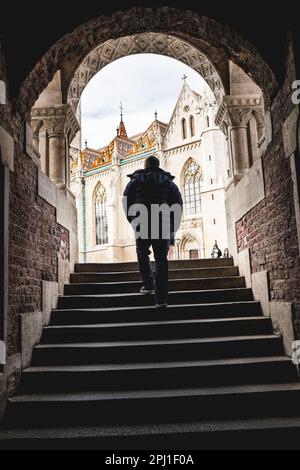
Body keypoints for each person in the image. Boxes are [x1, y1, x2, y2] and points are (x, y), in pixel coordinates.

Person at [122, 155, 183, 309]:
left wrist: (133, 220)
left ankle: (149, 285)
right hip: (162, 221)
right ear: (158, 165)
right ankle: (161, 299)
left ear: (145, 166)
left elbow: (126, 201)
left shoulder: (135, 181)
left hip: (141, 220)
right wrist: (172, 226)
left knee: (142, 254)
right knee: (162, 259)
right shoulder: (168, 182)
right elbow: (178, 204)